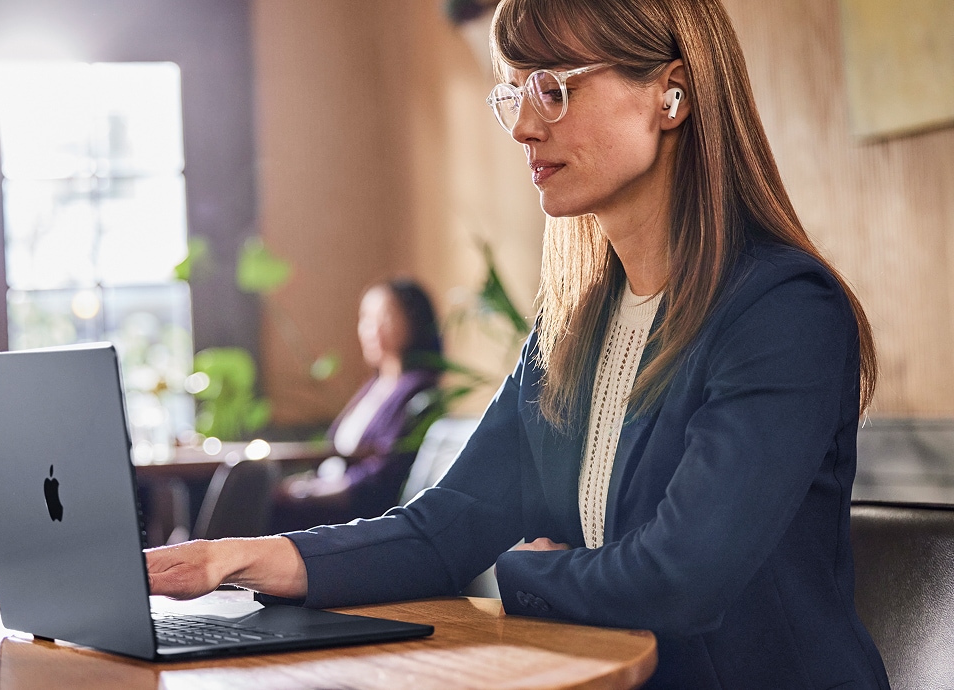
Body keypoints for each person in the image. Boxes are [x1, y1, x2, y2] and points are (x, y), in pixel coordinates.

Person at [144, 0, 890, 686]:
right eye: (516, 93)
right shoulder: (572, 331)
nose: (526, 127)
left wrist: (529, 575)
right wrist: (235, 559)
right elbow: (445, 528)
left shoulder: (781, 313)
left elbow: (679, 578)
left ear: (673, 94)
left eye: (555, 88)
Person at [272, 279, 443, 533]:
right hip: (331, 498)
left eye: (383, 318)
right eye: (366, 318)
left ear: (414, 322)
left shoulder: (420, 392)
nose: (370, 329)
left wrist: (311, 493)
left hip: (358, 517)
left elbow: (385, 476)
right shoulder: (375, 386)